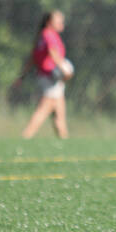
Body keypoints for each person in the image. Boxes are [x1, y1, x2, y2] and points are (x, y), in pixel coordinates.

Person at [14, 10, 73, 139]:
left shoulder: (42, 35)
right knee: (45, 108)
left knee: (59, 114)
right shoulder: (49, 34)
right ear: (49, 22)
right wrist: (65, 70)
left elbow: (33, 58)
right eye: (58, 21)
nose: (61, 23)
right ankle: (26, 136)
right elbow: (53, 53)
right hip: (50, 77)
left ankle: (64, 140)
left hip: (47, 77)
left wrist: (22, 76)